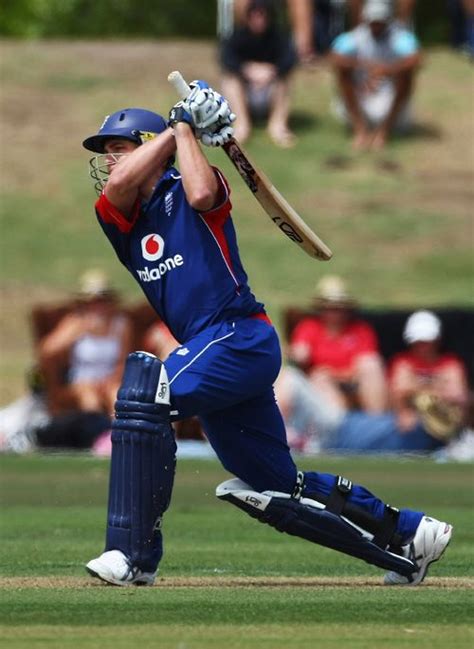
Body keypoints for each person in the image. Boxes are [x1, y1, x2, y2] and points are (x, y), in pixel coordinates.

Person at [81, 82, 451, 588]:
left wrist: (184, 127)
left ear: (152, 147)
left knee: (144, 398)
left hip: (238, 336)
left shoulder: (193, 184)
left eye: (119, 149)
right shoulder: (118, 216)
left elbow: (203, 192)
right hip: (214, 352)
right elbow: (121, 187)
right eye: (108, 156)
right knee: (277, 483)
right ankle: (407, 533)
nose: (110, 164)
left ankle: (132, 555)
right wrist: (179, 124)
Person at [38, 269, 132, 417]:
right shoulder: (75, 322)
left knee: (117, 396)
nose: (98, 306)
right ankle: (93, 434)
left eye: (102, 300)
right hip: (81, 382)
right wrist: (75, 333)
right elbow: (47, 350)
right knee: (89, 397)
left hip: (108, 381)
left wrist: (112, 379)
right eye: (92, 301)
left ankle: (115, 436)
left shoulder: (121, 325)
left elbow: (123, 361)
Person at [289, 275, 388, 414]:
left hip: (355, 384)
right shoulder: (309, 327)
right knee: (319, 379)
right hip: (322, 384)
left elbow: (366, 364)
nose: (334, 313)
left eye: (339, 308)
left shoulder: (361, 330)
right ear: (321, 308)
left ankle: (377, 422)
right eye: (329, 308)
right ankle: (339, 426)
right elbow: (300, 352)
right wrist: (298, 355)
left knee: (371, 364)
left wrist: (334, 373)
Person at [330, 0, 421, 150]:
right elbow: (334, 57)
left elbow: (416, 59)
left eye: (380, 22)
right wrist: (365, 66)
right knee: (343, 71)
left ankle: (384, 131)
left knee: (407, 74)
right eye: (373, 22)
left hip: (387, 100)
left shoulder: (399, 36)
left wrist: (388, 70)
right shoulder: (356, 36)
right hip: (363, 98)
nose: (376, 26)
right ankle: (360, 130)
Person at [219, 0, 298, 146]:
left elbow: (290, 60)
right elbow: (226, 59)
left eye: (262, 15)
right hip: (244, 93)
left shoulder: (279, 38)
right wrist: (248, 70)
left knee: (284, 81)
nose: (258, 20)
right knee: (230, 80)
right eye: (254, 15)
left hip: (269, 92)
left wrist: (270, 71)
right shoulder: (236, 36)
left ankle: (277, 126)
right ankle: (242, 126)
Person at [389, 310, 469, 442]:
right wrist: (439, 385)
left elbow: (458, 394)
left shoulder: (451, 362)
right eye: (418, 341)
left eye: (426, 341)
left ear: (436, 340)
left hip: (448, 422)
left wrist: (419, 388)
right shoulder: (402, 362)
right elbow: (400, 390)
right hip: (412, 422)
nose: (422, 346)